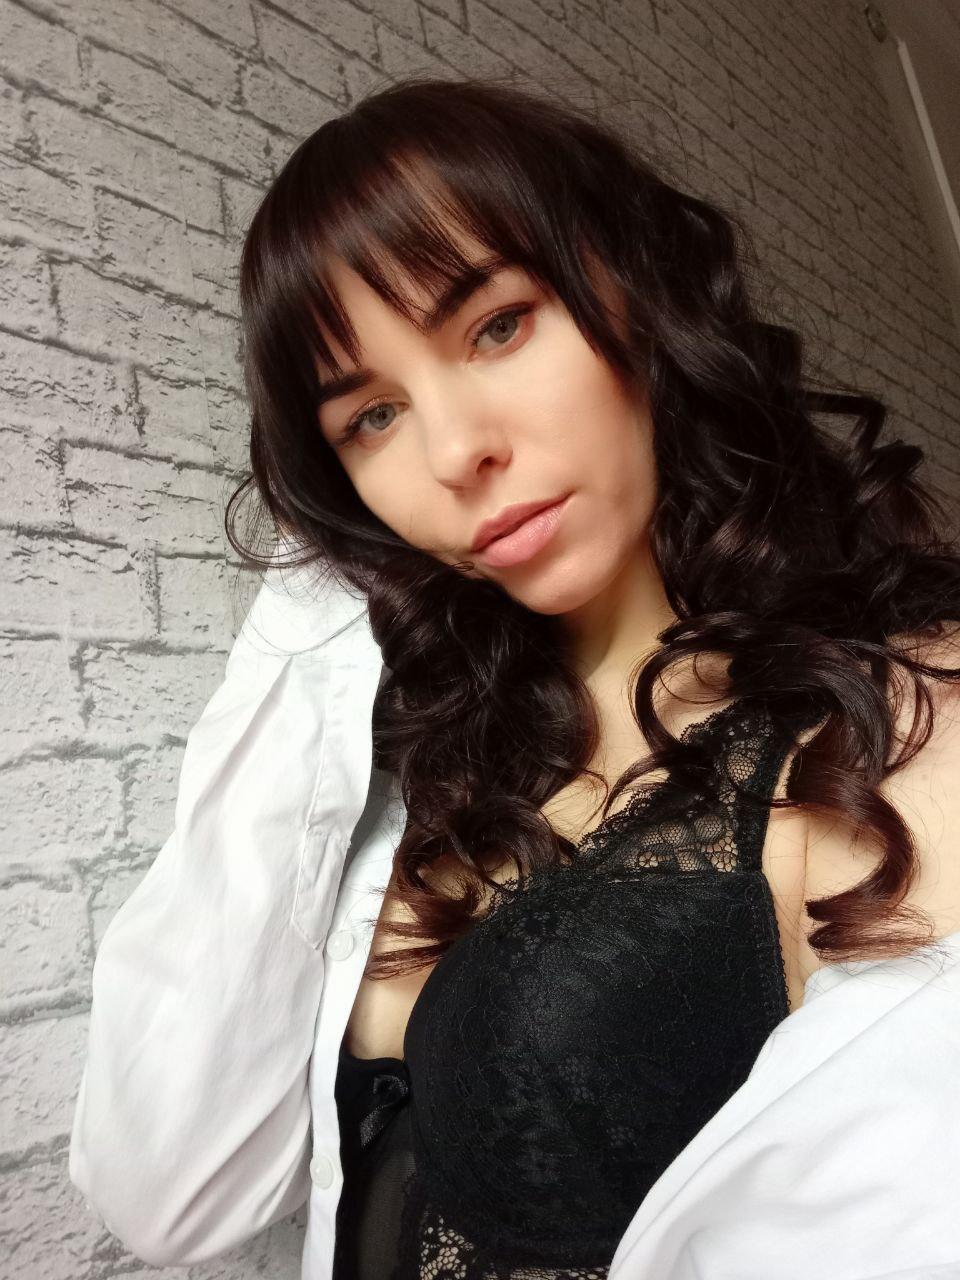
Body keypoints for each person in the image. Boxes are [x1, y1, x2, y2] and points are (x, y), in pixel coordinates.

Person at [69, 76, 960, 1279]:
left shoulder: (885, 715)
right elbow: (171, 1193)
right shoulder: (416, 784)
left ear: (634, 291)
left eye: (495, 327)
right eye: (370, 418)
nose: (453, 452)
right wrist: (327, 584)